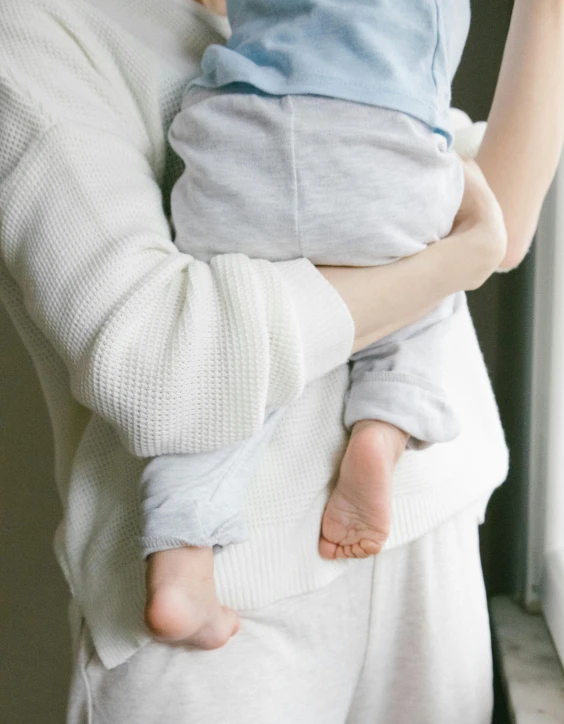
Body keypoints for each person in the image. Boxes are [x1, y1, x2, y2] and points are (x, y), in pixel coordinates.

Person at [0, 0, 561, 722]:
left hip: (428, 541)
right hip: (221, 612)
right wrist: (450, 263)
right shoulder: (39, 32)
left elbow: (495, 222)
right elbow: (157, 364)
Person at [141, 0, 470, 647]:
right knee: (429, 296)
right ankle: (384, 425)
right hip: (383, 154)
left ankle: (180, 558)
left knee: (229, 345)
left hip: (236, 143)